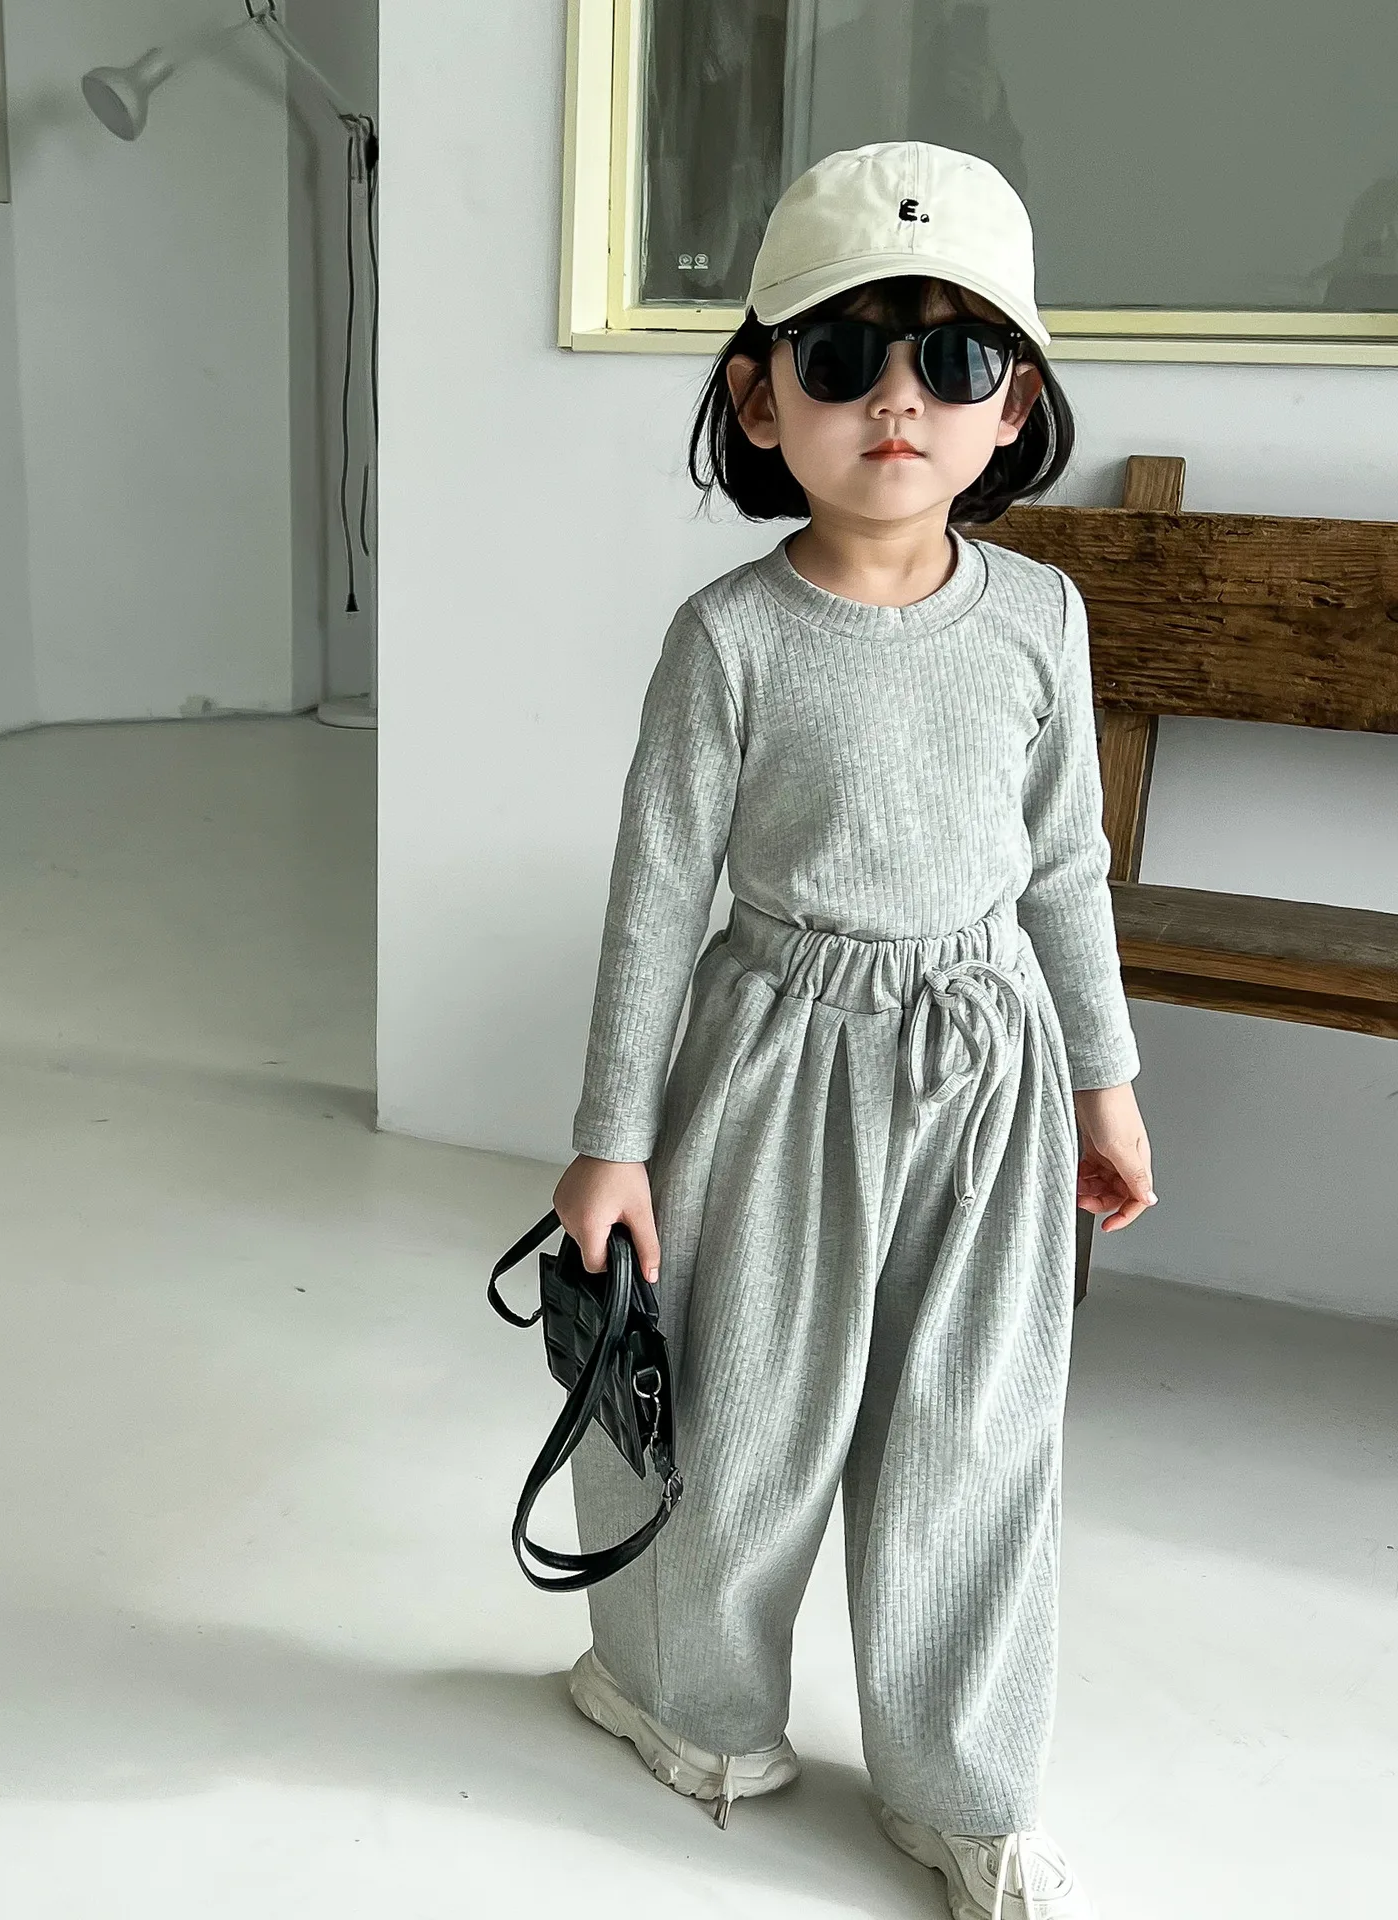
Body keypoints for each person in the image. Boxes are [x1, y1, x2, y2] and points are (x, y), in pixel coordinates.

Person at [549, 142, 1156, 1920]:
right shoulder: (728, 638)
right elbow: (655, 893)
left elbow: (1065, 864)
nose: (900, 399)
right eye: (842, 355)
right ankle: (683, 1698)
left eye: (953, 359)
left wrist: (1107, 1080)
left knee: (977, 1436)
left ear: (1011, 405)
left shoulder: (1041, 617)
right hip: (773, 1065)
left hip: (987, 1071)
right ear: (761, 396)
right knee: (743, 1414)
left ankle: (965, 1785)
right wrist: (610, 1139)